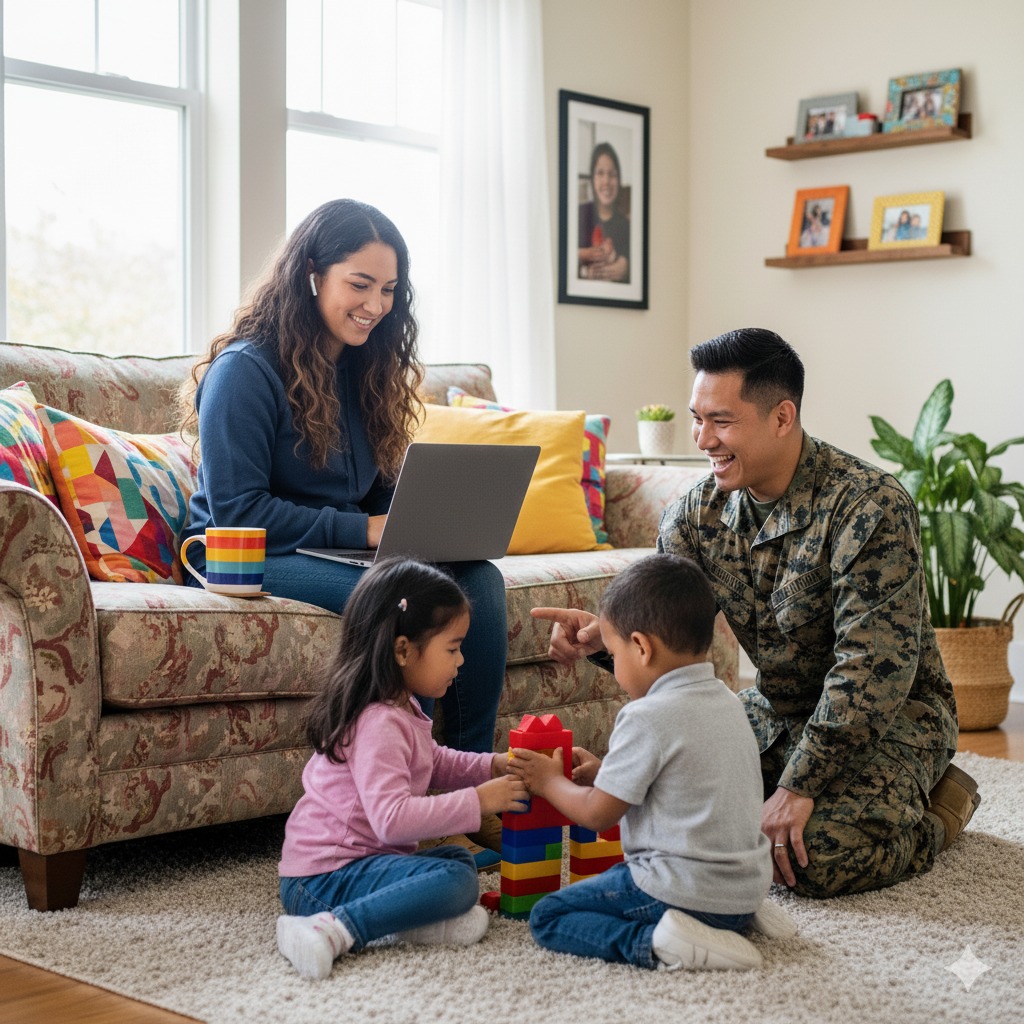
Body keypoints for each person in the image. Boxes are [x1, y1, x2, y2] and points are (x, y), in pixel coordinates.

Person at [533, 328, 980, 900]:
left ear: (782, 417)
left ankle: (942, 807)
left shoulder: (869, 507)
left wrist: (799, 786)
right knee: (683, 804)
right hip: (777, 710)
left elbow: (871, 673)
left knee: (812, 857)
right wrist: (604, 638)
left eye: (720, 421)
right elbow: (668, 644)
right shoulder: (693, 517)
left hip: (892, 716)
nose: (702, 439)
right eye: (697, 418)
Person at [179, 199, 507, 795]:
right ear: (311, 272)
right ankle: (404, 795)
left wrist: (421, 517)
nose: (376, 306)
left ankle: (466, 789)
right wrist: (367, 531)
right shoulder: (245, 371)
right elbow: (238, 512)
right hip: (240, 554)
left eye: (388, 289)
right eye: (360, 284)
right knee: (406, 600)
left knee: (478, 579)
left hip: (327, 551)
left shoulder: (363, 370)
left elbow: (375, 490)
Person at [510, 554, 789, 972]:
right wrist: (609, 774)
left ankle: (658, 943)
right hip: (745, 885)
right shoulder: (729, 702)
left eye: (616, 653)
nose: (615, 669)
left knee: (549, 917)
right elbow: (687, 786)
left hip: (681, 890)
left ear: (640, 647)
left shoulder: (645, 716)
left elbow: (597, 815)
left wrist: (549, 781)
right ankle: (738, 917)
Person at [275, 557, 529, 980]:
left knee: (458, 865)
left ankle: (414, 925)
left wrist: (495, 765)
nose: (461, 661)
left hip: (358, 866)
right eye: (452, 649)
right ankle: (334, 929)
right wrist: (479, 800)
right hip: (323, 880)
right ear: (403, 650)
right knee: (457, 882)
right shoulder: (379, 722)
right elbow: (392, 821)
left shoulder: (398, 704)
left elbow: (435, 761)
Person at [577, 141, 630, 283]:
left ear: (619, 180)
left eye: (612, 174)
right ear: (592, 178)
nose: (606, 181)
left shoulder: (626, 227)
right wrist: (581, 257)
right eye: (600, 173)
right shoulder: (579, 216)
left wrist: (626, 268)